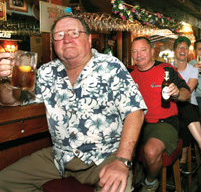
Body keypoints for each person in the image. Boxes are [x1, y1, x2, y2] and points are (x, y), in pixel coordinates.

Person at [0, 15, 147, 192]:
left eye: (74, 33)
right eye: (59, 35)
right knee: (4, 181)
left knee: (117, 188)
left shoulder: (111, 66)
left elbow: (135, 111)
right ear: (54, 43)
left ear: (89, 39)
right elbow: (12, 101)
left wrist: (122, 161)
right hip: (59, 157)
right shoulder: (47, 71)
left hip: (104, 156)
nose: (67, 39)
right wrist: (8, 82)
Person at [128, 36, 191, 192]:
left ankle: (150, 182)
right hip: (135, 123)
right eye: (135, 51)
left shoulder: (166, 69)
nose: (139, 55)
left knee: (151, 151)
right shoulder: (128, 72)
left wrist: (177, 93)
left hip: (164, 122)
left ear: (152, 51)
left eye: (143, 50)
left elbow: (186, 93)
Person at [174, 36, 201, 169]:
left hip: (188, 104)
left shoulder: (193, 69)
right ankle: (200, 146)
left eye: (185, 48)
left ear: (188, 52)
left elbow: (188, 91)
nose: (182, 50)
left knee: (184, 107)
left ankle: (184, 158)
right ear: (174, 50)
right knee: (182, 119)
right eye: (179, 47)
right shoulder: (168, 68)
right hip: (171, 106)